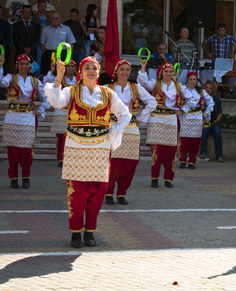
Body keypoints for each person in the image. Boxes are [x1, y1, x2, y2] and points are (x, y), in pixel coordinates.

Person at [44, 56, 131, 248]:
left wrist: (113, 133)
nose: (91, 71)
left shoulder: (108, 94)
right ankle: (76, 233)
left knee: (97, 192)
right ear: (80, 73)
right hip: (76, 148)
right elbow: (56, 102)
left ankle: (90, 231)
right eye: (87, 68)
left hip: (99, 149)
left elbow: (125, 114)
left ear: (99, 72)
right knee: (77, 193)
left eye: (94, 68)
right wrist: (58, 78)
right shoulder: (72, 91)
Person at [105, 59, 157, 205]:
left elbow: (152, 102)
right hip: (114, 127)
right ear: (116, 71)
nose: (125, 72)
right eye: (122, 69)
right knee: (113, 162)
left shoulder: (135, 87)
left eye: (128, 69)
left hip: (131, 128)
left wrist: (141, 118)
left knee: (130, 162)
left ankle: (122, 193)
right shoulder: (107, 88)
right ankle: (108, 192)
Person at [137, 62, 190, 188]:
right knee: (156, 150)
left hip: (171, 119)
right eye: (166, 71)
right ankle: (154, 178)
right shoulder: (155, 83)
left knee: (171, 151)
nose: (168, 74)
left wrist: (183, 110)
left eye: (171, 71)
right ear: (161, 72)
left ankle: (168, 179)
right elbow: (143, 84)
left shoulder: (178, 86)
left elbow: (191, 98)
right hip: (156, 119)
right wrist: (143, 68)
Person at [0, 54, 49, 189]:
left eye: (26, 64)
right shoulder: (11, 77)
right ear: (17, 65)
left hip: (28, 117)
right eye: (21, 64)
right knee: (12, 149)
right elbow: (1, 82)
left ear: (29, 67)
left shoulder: (35, 81)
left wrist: (41, 109)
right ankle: (13, 178)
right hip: (12, 117)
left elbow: (46, 98)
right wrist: (0, 65)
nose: (23, 66)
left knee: (27, 150)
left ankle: (26, 177)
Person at [43, 59, 77, 167]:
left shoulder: (79, 80)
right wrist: (52, 71)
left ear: (75, 69)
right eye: (69, 66)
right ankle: (61, 159)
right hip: (61, 111)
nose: (70, 68)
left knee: (73, 136)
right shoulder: (60, 78)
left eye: (72, 66)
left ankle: (71, 158)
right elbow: (46, 83)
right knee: (61, 137)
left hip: (74, 113)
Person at [179, 72, 214, 169]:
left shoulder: (200, 91)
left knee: (195, 140)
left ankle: (192, 160)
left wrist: (206, 112)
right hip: (185, 116)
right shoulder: (182, 89)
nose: (193, 81)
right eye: (191, 79)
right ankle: (182, 159)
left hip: (197, 116)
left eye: (194, 79)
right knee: (184, 139)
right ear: (187, 80)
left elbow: (210, 101)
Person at [200, 80, 224, 162]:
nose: (208, 89)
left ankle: (219, 156)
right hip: (204, 122)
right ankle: (203, 153)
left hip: (214, 122)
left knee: (217, 133)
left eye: (210, 88)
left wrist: (217, 120)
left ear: (213, 89)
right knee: (205, 131)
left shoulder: (216, 99)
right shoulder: (201, 99)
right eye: (206, 87)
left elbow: (220, 113)